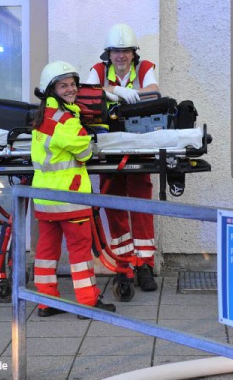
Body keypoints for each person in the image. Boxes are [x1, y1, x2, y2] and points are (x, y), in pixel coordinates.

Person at [31, 60, 116, 318]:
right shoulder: (65, 120)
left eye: (72, 84)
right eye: (64, 86)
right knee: (79, 250)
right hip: (69, 196)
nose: (71, 89)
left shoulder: (43, 116)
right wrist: (87, 141)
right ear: (52, 90)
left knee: (46, 250)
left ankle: (46, 301)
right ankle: (87, 302)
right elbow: (85, 152)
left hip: (44, 197)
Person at [81, 23, 159, 293]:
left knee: (141, 205)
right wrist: (116, 91)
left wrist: (115, 92)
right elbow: (86, 93)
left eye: (126, 51)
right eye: (116, 51)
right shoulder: (99, 69)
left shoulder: (145, 68)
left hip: (139, 145)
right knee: (113, 205)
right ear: (109, 53)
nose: (121, 56)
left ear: (133, 53)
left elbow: (154, 90)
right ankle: (124, 264)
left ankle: (145, 264)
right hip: (109, 146)